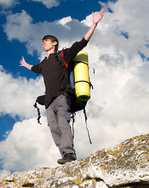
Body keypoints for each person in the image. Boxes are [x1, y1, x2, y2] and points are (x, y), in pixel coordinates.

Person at [20, 9, 104, 164]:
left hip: (62, 97)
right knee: (54, 129)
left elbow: (81, 43)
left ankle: (70, 153)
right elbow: (35, 69)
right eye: (43, 41)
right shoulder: (44, 64)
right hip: (48, 101)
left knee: (63, 123)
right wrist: (25, 65)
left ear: (54, 43)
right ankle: (66, 155)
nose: (44, 43)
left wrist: (94, 24)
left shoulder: (62, 56)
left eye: (46, 41)